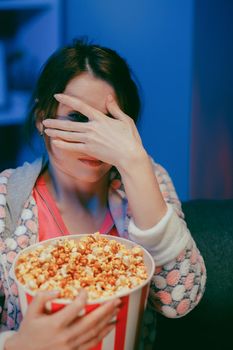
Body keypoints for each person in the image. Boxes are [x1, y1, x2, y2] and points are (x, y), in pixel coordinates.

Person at [0, 38, 206, 349]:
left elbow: (180, 300)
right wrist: (18, 344)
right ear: (43, 118)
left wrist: (135, 163)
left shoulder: (147, 179)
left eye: (108, 121)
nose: (94, 137)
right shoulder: (6, 199)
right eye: (78, 118)